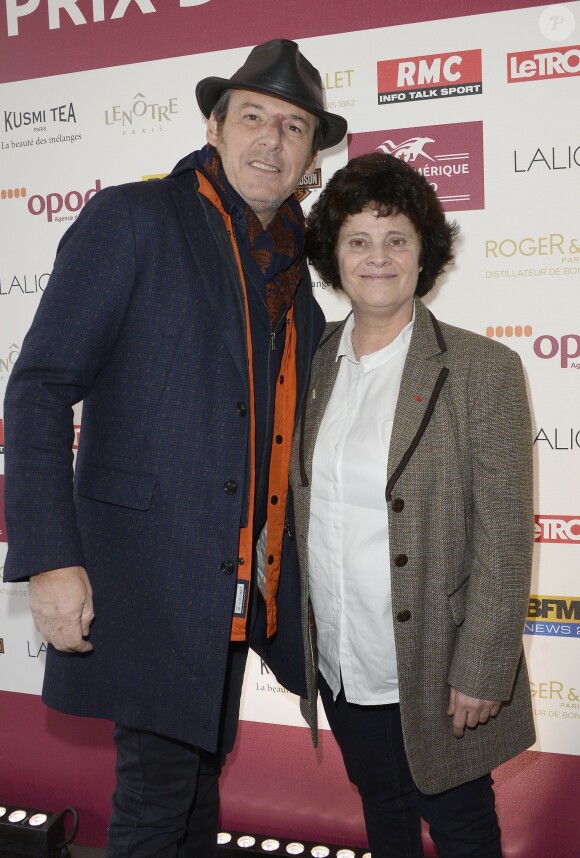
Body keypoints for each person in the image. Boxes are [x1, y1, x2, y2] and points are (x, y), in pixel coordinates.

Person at [3, 39, 347, 857]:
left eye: (292, 127)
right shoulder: (133, 218)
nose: (271, 140)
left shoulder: (297, 278)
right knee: (159, 805)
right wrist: (52, 558)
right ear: (214, 125)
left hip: (237, 591)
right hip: (147, 577)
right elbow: (39, 387)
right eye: (254, 117)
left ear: (309, 155)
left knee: (193, 795)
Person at [290, 152, 535, 858]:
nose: (378, 257)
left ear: (424, 254)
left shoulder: (481, 369)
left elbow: (505, 534)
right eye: (358, 240)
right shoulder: (312, 366)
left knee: (460, 828)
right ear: (333, 254)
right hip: (342, 659)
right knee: (384, 815)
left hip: (436, 665)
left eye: (397, 239)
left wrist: (483, 666)